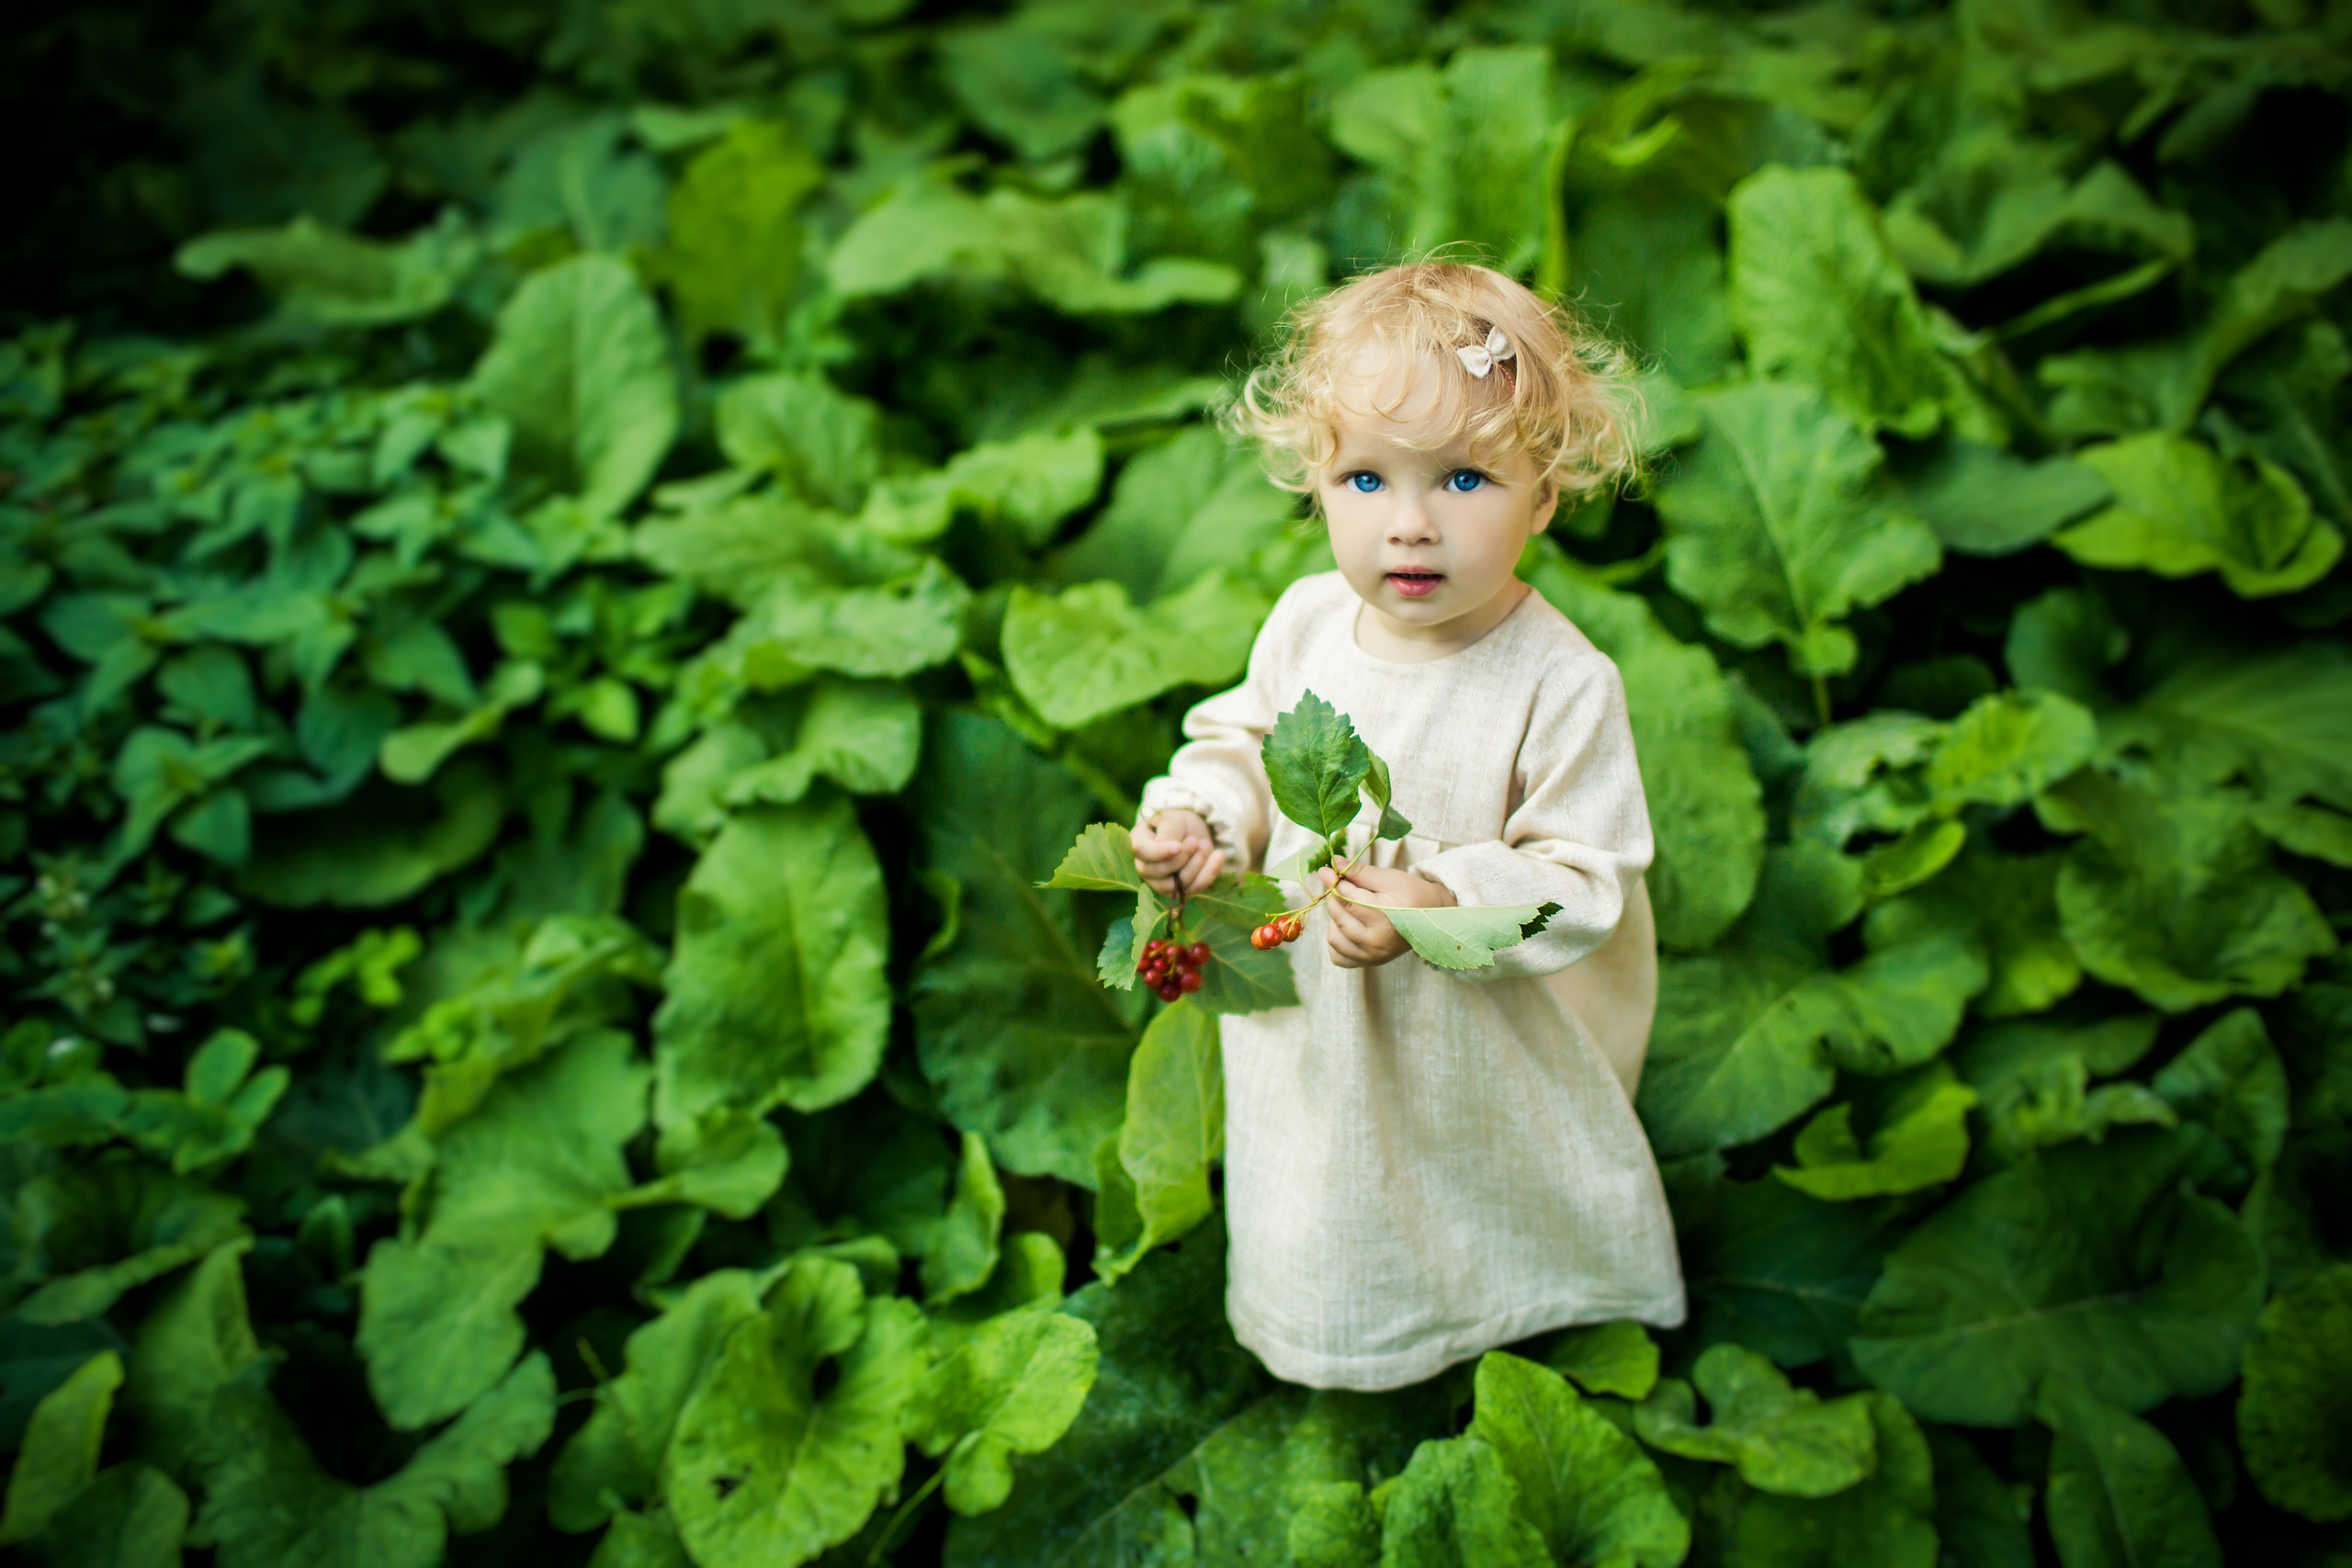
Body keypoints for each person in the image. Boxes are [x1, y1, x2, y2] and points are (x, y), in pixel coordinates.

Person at [1126, 259, 1685, 1392]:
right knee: (1329, 1178)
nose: (1412, 526)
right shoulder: (1310, 624)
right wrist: (1202, 821)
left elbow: (1584, 874)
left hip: (1466, 1029)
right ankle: (1347, 1331)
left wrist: (1442, 897)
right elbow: (1245, 743)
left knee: (1471, 1173)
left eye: (1466, 479)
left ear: (1545, 492)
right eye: (1368, 481)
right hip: (1317, 1005)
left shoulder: (1557, 682)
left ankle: (1512, 1322)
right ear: (1316, 486)